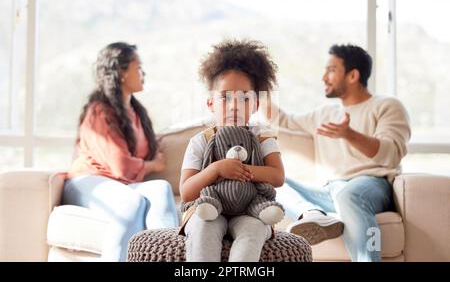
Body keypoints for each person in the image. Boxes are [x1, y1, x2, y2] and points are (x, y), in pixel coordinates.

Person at [266, 44, 411, 262]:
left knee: (349, 195)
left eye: (331, 70)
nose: (324, 77)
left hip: (370, 185)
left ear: (353, 75)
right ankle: (313, 214)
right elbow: (284, 121)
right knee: (272, 180)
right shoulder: (324, 113)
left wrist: (349, 134)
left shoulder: (387, 105)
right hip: (328, 192)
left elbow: (392, 154)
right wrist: (256, 90)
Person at [64, 42, 179, 262]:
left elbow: (132, 163)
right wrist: (153, 165)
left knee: (161, 189)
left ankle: (168, 258)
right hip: (88, 180)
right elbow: (122, 166)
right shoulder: (100, 111)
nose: (142, 73)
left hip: (121, 186)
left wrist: (149, 164)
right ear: (121, 73)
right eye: (138, 67)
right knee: (132, 203)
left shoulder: (136, 112)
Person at [179, 39, 285, 262]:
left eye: (244, 98)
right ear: (211, 103)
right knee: (203, 228)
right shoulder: (201, 141)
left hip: (249, 211)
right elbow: (187, 192)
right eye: (225, 97)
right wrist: (217, 169)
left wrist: (242, 170)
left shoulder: (262, 137)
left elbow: (277, 176)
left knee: (253, 231)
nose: (234, 105)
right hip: (208, 211)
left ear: (255, 105)